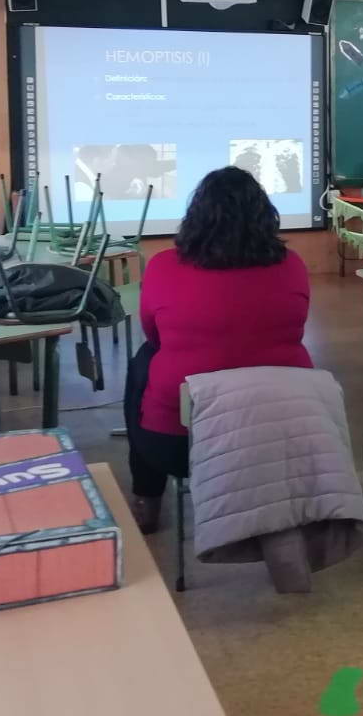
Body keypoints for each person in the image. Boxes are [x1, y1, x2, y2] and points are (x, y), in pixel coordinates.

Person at [125, 166, 312, 532]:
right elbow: (297, 326)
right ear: (265, 216)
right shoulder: (292, 265)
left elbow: (154, 333)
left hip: (177, 445)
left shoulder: (163, 265)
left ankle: (147, 499)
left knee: (144, 362)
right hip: (278, 436)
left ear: (196, 215)